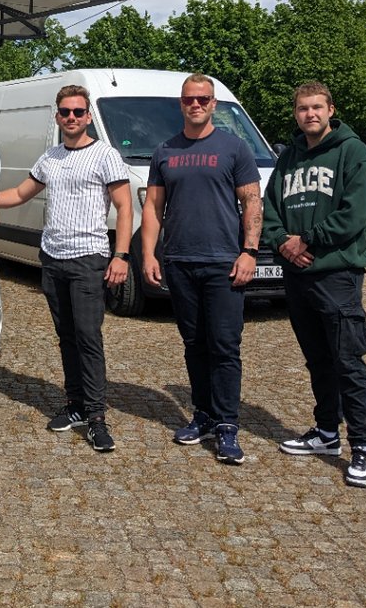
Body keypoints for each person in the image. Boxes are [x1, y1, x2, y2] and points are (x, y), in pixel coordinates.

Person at [0, 84, 132, 452]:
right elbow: (19, 194)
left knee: (89, 338)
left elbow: (124, 205)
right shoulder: (49, 158)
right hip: (53, 259)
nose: (71, 117)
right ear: (57, 116)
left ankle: (97, 416)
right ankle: (75, 405)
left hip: (89, 259)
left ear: (87, 116)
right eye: (65, 112)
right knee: (67, 336)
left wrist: (121, 256)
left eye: (78, 112)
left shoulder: (105, 155)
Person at [140, 73, 261, 466]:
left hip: (223, 264)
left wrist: (249, 252)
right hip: (180, 262)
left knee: (225, 346)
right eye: (189, 99)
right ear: (181, 104)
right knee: (194, 344)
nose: (196, 105)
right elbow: (153, 208)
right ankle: (203, 414)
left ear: (213, 105)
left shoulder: (234, 148)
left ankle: (227, 425)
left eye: (203, 99)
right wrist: (149, 254)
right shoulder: (165, 151)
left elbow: (252, 203)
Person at [263, 81, 366, 487]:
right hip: (297, 274)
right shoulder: (289, 157)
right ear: (295, 113)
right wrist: (283, 244)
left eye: (316, 107)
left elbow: (355, 213)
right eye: (302, 109)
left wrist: (307, 239)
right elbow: (270, 207)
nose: (309, 114)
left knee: (347, 360)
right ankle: (327, 432)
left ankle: (361, 445)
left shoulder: (353, 152)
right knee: (317, 359)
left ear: (331, 109)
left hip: (337, 274)